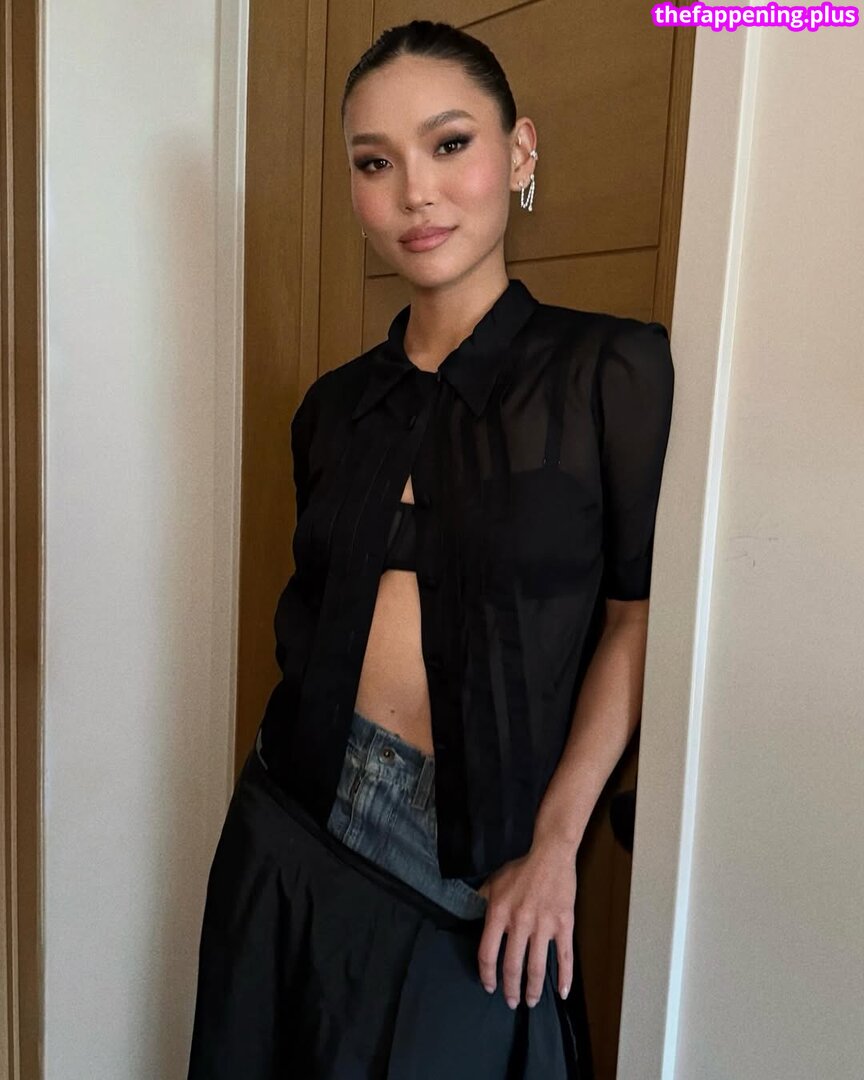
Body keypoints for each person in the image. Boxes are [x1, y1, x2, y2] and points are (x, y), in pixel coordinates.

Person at [187, 18, 674, 1080]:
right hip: (289, 817)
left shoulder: (613, 373)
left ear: (520, 152)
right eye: (376, 163)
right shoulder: (331, 409)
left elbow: (637, 618)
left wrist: (557, 843)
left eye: (450, 144)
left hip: (476, 868)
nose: (416, 191)